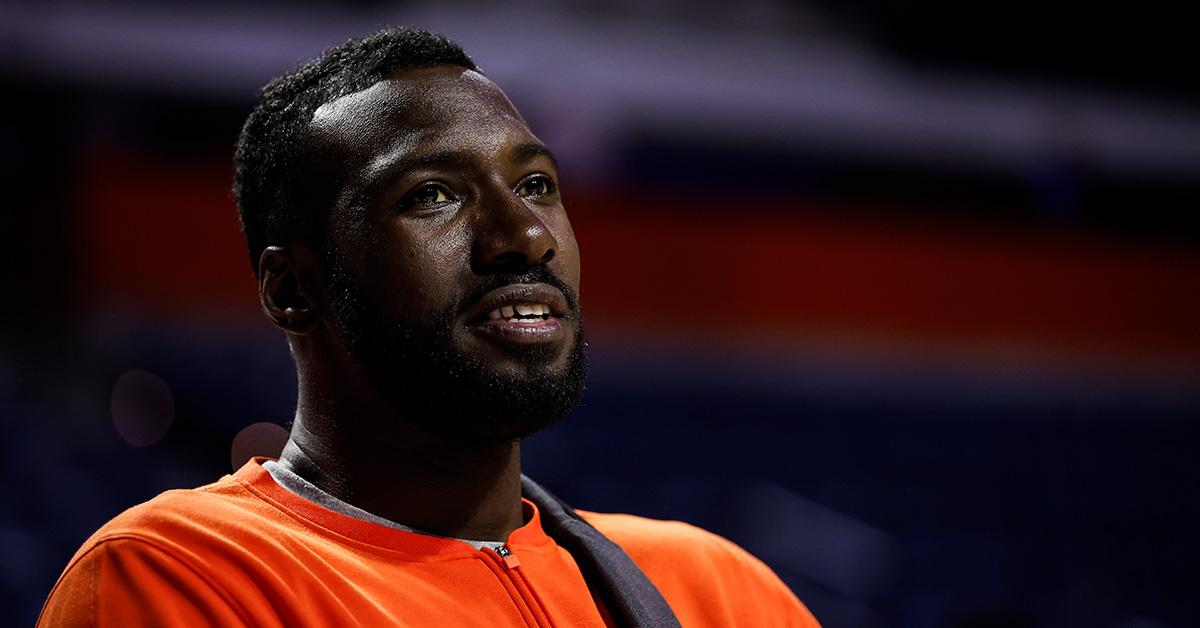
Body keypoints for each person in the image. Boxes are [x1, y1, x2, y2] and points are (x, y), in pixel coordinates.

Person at [38, 27, 819, 627]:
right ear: (293, 289)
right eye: (433, 196)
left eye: (537, 184)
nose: (526, 235)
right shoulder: (184, 574)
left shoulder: (717, 588)